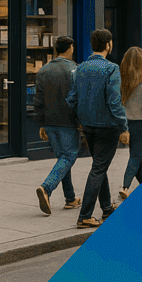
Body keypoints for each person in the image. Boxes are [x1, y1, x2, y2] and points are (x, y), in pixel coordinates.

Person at [66, 29, 129, 228]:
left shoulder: (80, 68)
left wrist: (81, 117)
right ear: (108, 44)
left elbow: (72, 99)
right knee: (98, 168)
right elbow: (115, 101)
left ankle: (107, 209)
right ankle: (84, 216)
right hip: (107, 126)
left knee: (99, 166)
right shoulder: (111, 68)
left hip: (88, 126)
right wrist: (124, 126)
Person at [34, 36, 80, 214]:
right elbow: (79, 98)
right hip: (68, 122)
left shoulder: (44, 71)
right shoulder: (74, 70)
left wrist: (41, 124)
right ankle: (46, 188)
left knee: (63, 158)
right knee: (68, 157)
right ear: (69, 48)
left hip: (50, 122)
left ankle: (70, 198)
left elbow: (38, 101)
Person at [118, 47, 142, 199]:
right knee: (135, 156)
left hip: (127, 123)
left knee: (136, 155)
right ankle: (125, 187)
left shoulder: (122, 77)